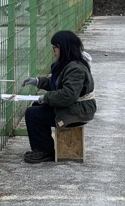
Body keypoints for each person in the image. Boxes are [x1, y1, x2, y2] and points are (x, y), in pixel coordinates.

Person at [21, 30, 96, 163]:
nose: (53, 51)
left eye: (55, 48)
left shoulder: (76, 68)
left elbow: (68, 95)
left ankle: (45, 151)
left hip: (78, 111)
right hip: (74, 107)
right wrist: (38, 81)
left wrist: (47, 97)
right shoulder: (67, 64)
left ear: (64, 48)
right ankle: (43, 147)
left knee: (33, 114)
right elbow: (56, 84)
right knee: (37, 108)